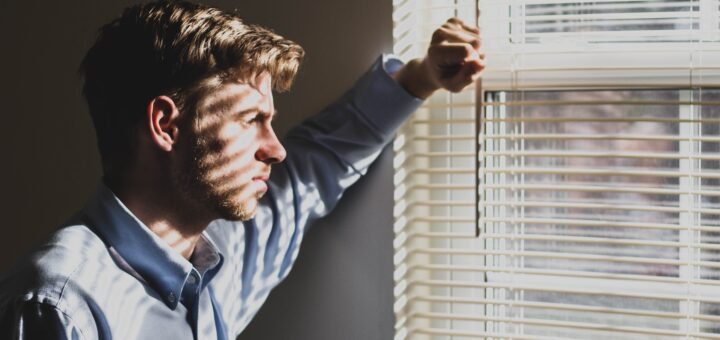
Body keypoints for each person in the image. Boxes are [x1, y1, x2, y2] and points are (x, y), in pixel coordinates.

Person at [0, 0, 484, 339]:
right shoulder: (59, 304)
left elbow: (315, 167)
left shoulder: (219, 259)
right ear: (167, 125)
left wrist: (420, 77)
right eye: (252, 120)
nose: (275, 149)